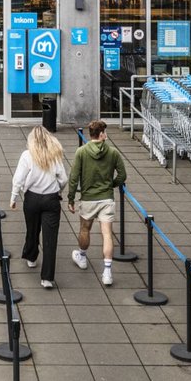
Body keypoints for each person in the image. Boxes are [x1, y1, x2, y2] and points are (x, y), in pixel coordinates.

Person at [66, 119, 128, 285]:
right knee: (107, 234)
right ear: (101, 134)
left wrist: (71, 198)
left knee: (85, 229)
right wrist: (110, 185)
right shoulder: (113, 153)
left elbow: (73, 177)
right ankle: (107, 272)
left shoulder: (81, 152)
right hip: (107, 199)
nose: (106, 135)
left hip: (88, 199)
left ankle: (82, 256)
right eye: (105, 133)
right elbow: (122, 176)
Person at [9, 126, 68, 289]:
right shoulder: (54, 155)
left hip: (32, 198)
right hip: (51, 199)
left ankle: (31, 256)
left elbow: (18, 178)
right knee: (50, 239)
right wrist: (59, 191)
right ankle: (47, 278)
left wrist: (14, 196)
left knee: (32, 229)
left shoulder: (27, 155)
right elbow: (63, 179)